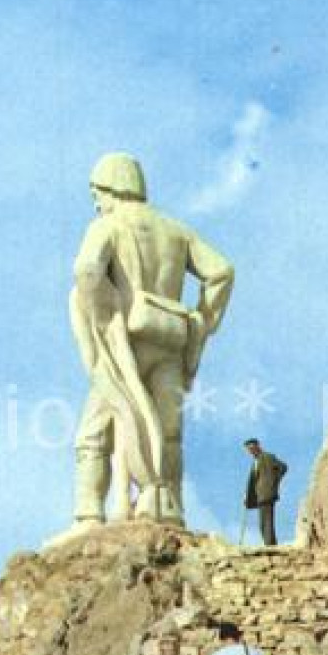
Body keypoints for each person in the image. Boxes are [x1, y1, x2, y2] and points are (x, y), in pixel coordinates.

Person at [62, 152, 235, 536]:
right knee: (168, 428)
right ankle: (165, 507)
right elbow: (221, 271)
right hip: (171, 339)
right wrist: (201, 322)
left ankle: (88, 514)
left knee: (96, 430)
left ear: (112, 186)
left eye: (97, 191)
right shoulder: (175, 231)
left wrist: (102, 314)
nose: (96, 201)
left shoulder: (107, 226)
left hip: (128, 342)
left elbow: (87, 269)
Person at [243, 439, 288, 546]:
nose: (251, 451)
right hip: (260, 496)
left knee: (266, 521)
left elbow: (283, 467)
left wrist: (273, 482)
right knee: (263, 522)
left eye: (252, 448)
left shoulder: (268, 456)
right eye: (249, 450)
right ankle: (269, 543)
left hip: (267, 494)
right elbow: (253, 481)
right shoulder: (256, 461)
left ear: (258, 446)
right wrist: (247, 495)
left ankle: (270, 545)